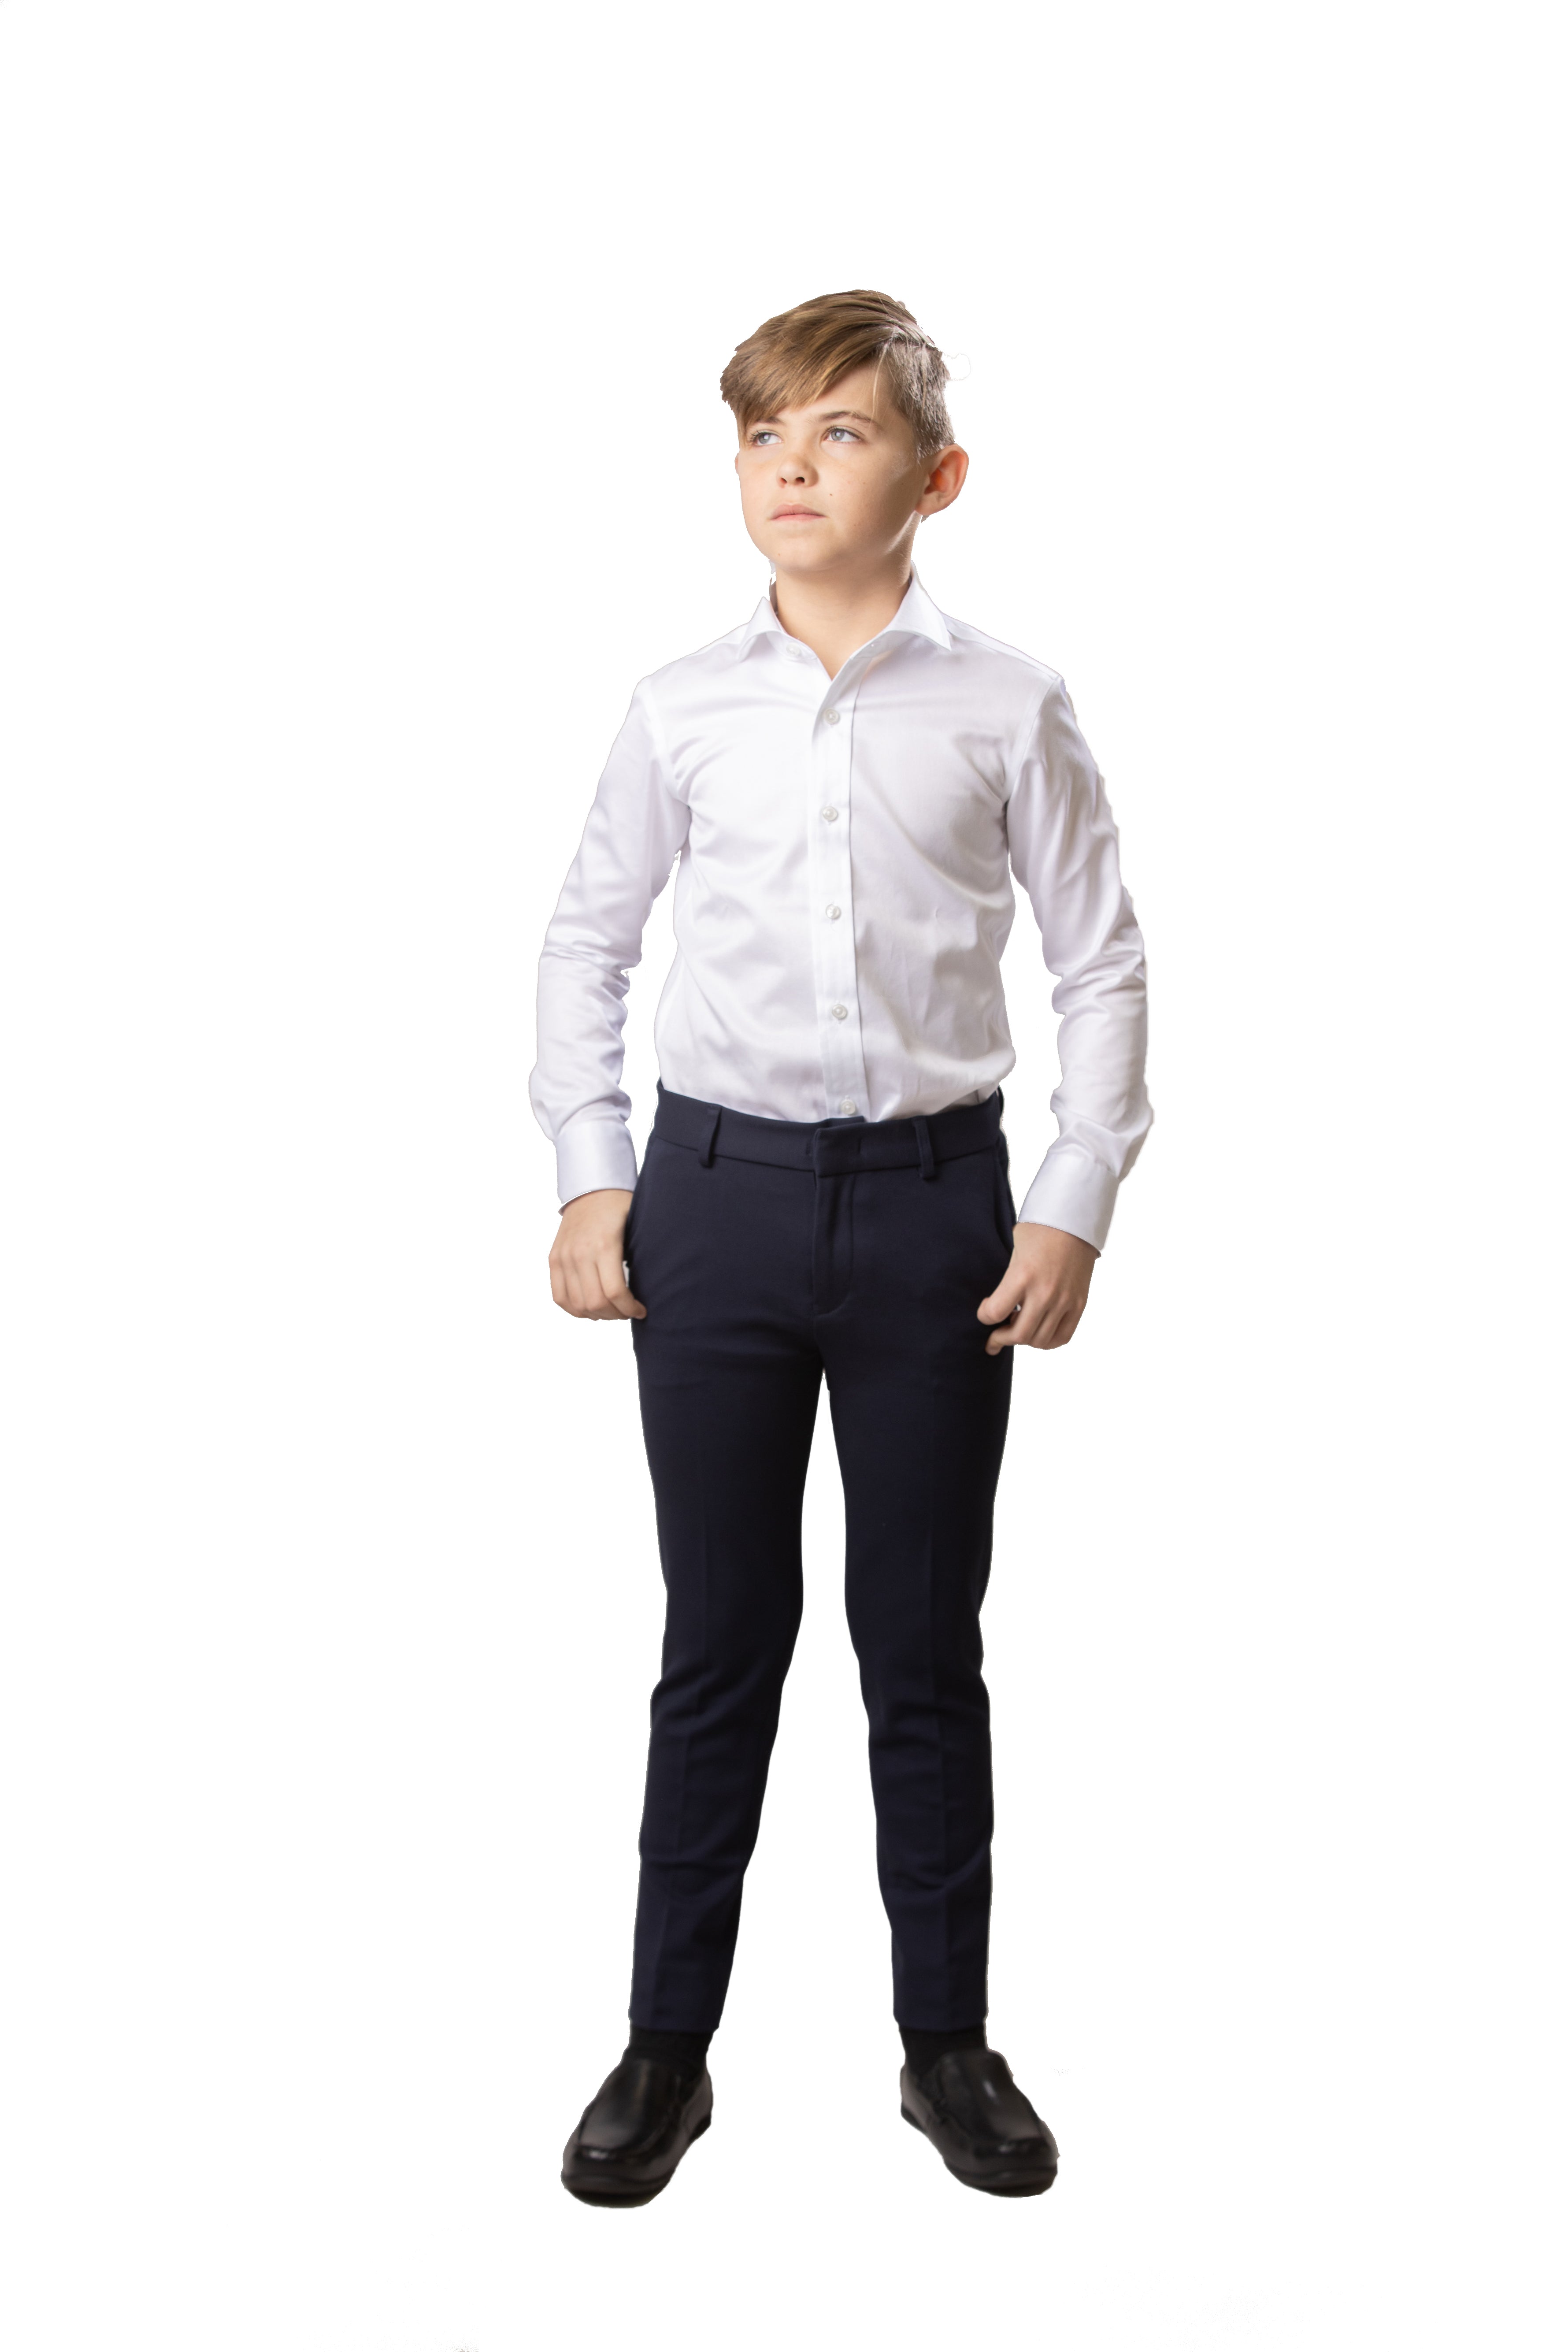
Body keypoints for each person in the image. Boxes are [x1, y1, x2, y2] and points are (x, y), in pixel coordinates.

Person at [530, 289, 1152, 2204]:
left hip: (932, 1220)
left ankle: (946, 2043)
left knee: (922, 1643)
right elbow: (587, 941)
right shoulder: (677, 707)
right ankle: (665, 2047)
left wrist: (1070, 1196)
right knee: (717, 1640)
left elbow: (1102, 962)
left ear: (937, 478)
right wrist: (591, 1171)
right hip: (709, 1211)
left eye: (840, 433)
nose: (791, 468)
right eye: (761, 436)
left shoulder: (1008, 702)